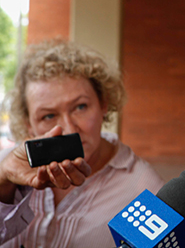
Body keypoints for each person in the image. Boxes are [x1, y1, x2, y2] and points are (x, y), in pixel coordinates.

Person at [0, 40, 164, 248]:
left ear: (103, 104)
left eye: (80, 107)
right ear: (28, 125)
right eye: (48, 115)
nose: (68, 129)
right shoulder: (6, 166)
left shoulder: (146, 190)